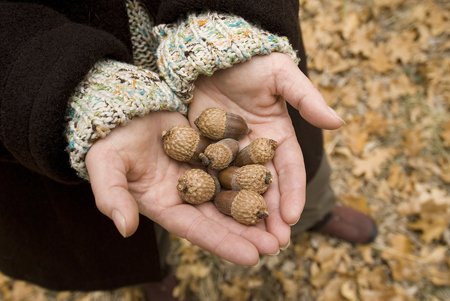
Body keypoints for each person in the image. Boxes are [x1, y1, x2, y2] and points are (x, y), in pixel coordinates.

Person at [0, 0, 376, 299]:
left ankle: (316, 214)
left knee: (295, 174)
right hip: (51, 125)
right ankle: (155, 272)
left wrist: (225, 25)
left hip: (215, 69)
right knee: (131, 216)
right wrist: (62, 87)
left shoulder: (239, 137)